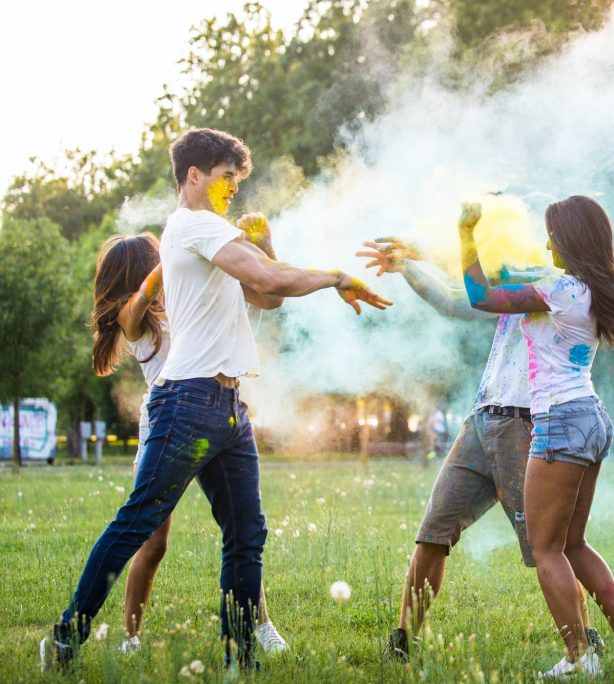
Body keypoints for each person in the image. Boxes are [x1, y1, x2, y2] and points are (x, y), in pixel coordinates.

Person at [41, 127, 391, 672]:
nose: (233, 188)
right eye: (227, 177)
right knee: (137, 525)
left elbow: (266, 294)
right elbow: (266, 276)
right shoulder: (191, 226)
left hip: (228, 407)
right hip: (186, 402)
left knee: (246, 535)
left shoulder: (215, 237)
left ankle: (239, 659)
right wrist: (335, 276)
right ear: (194, 176)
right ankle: (65, 636)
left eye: (237, 179)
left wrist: (269, 249)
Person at [356, 236, 604, 661]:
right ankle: (403, 641)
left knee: (547, 548)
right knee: (433, 532)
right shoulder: (505, 292)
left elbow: (491, 270)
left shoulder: (554, 283)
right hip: (481, 420)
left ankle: (585, 640)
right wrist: (409, 266)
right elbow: (454, 300)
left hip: (527, 424)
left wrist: (423, 251)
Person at [458, 195, 614, 676]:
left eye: (552, 235)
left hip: (560, 421)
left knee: (546, 548)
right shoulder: (593, 287)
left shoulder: (559, 290)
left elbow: (480, 297)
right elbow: (515, 279)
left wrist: (465, 235)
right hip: (591, 418)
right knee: (573, 543)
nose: (546, 243)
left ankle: (579, 657)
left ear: (567, 241)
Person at [89, 230, 288, 656]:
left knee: (241, 533)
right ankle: (131, 635)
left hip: (217, 416)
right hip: (166, 423)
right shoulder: (138, 318)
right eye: (158, 259)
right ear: (141, 273)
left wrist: (261, 245)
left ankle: (261, 625)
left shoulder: (189, 299)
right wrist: (176, 257)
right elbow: (138, 306)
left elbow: (263, 293)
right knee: (153, 540)